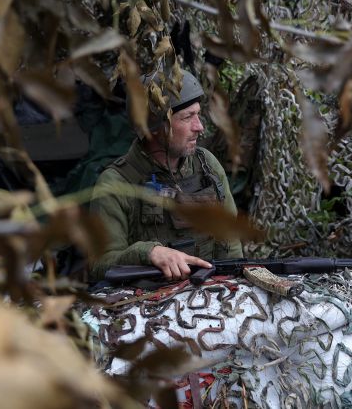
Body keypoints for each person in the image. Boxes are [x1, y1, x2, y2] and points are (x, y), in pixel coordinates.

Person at [89, 69, 243, 282]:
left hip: (210, 294)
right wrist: (149, 253)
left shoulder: (207, 165)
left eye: (198, 114)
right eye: (187, 117)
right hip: (148, 305)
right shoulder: (116, 183)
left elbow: (230, 240)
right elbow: (99, 265)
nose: (199, 127)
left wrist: (233, 284)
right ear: (154, 127)